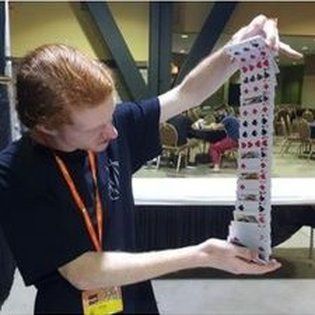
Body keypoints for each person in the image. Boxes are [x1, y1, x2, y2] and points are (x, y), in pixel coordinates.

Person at [0, 15, 302, 314]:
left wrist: (236, 48)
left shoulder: (112, 124)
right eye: (96, 128)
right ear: (46, 127)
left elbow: (186, 94)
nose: (114, 132)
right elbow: (82, 271)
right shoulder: (16, 173)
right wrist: (202, 255)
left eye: (110, 116)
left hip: (133, 299)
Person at [208, 104, 240, 172]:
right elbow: (222, 127)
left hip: (233, 140)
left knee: (214, 148)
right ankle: (217, 162)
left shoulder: (227, 118)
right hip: (239, 141)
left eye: (218, 111)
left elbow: (215, 128)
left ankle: (216, 167)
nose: (217, 113)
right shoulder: (235, 118)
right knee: (219, 146)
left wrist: (212, 124)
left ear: (223, 111)